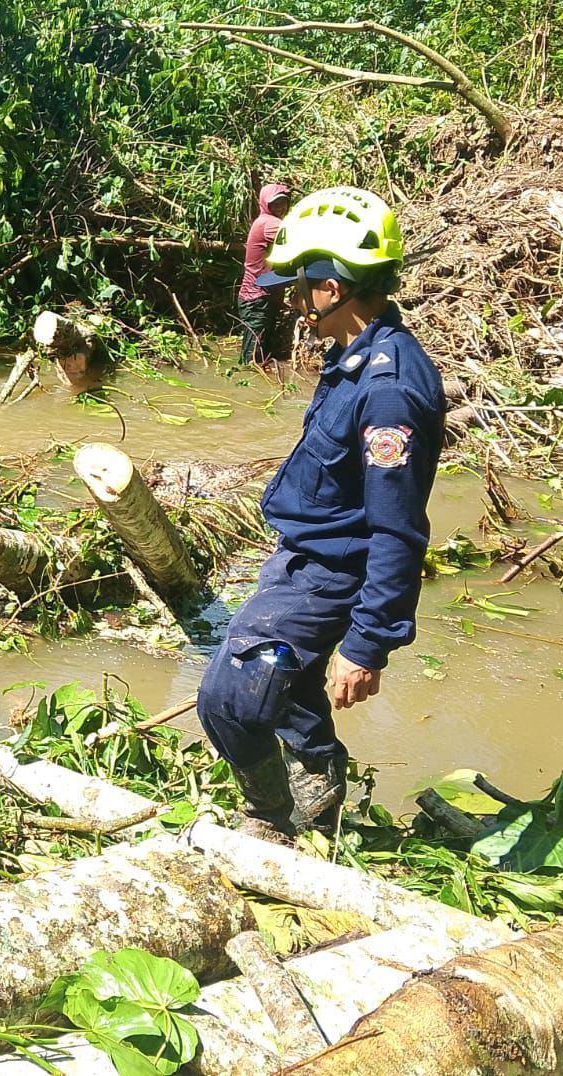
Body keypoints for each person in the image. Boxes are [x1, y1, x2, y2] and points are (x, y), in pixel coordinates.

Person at [196, 187, 445, 841]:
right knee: (290, 687)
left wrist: (367, 643)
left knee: (230, 697)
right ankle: (317, 789)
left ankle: (270, 819)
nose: (292, 301)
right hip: (305, 557)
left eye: (300, 286)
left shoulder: (387, 390)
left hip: (329, 573)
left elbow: (398, 526)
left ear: (332, 288)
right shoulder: (355, 354)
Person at [238, 182, 293, 365]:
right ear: (265, 204)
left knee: (258, 350)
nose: (281, 207)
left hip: (260, 296)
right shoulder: (269, 223)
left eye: (284, 203)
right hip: (257, 298)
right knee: (252, 358)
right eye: (275, 204)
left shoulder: (265, 221)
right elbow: (298, 238)